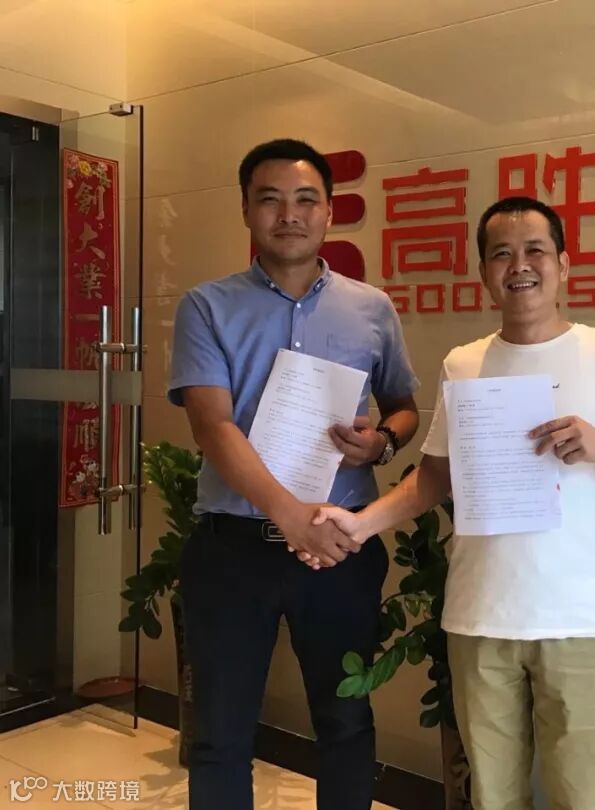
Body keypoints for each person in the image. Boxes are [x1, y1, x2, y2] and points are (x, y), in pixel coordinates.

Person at [308, 196, 595, 809]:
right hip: (480, 618)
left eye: (535, 250)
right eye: (502, 254)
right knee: (492, 799)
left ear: (563, 264)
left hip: (576, 620)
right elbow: (434, 477)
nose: (519, 265)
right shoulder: (464, 363)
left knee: (583, 798)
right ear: (484, 272)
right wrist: (361, 523)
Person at [167, 138, 420, 810]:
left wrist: (381, 444)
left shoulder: (371, 308)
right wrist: (290, 515)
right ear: (246, 210)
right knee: (219, 736)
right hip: (233, 550)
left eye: (306, 200)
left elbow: (404, 407)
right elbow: (212, 426)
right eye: (270, 199)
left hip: (341, 548)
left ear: (330, 212)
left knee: (345, 723)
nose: (289, 215)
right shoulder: (206, 306)